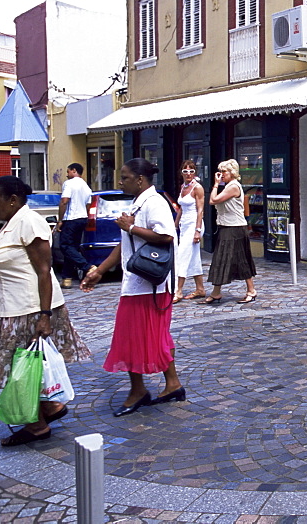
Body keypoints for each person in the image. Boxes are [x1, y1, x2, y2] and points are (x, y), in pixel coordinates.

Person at [0, 176, 91, 446]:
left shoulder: (29, 222)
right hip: (10, 307)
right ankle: (49, 409)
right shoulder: (8, 224)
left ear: (13, 200)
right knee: (27, 365)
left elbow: (45, 271)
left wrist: (45, 316)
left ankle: (36, 425)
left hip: (30, 309)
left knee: (22, 368)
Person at [80, 159, 185, 417]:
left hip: (150, 285)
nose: (120, 181)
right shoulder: (139, 202)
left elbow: (167, 236)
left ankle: (141, 390)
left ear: (140, 179)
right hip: (139, 283)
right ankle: (170, 385)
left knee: (136, 336)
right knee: (146, 335)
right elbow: (124, 244)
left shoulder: (154, 203)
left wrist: (132, 226)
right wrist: (100, 270)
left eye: (124, 177)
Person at [204, 159, 257, 304]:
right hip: (227, 227)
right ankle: (216, 292)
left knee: (239, 259)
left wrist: (216, 184)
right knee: (223, 258)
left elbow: (213, 200)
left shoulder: (233, 186)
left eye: (224, 172)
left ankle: (251, 290)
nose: (221, 174)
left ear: (232, 172)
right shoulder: (228, 186)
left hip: (235, 228)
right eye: (220, 171)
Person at [173, 160, 206, 303]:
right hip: (184, 224)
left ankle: (178, 291)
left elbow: (200, 210)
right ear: (181, 172)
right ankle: (200, 288)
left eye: (191, 171)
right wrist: (175, 225)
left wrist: (197, 231)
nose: (188, 174)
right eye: (186, 171)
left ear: (195, 173)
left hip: (194, 224)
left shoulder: (197, 188)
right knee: (193, 258)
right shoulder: (183, 187)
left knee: (182, 255)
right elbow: (181, 208)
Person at [56, 162, 94, 289]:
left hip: (70, 218)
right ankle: (67, 278)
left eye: (68, 172)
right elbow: (88, 205)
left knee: (65, 246)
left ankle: (87, 266)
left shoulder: (69, 184)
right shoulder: (86, 187)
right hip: (82, 218)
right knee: (72, 248)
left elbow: (64, 201)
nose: (67, 175)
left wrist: (60, 220)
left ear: (74, 170)